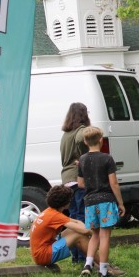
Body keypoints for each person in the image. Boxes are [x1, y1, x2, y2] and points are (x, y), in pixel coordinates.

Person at [78, 127, 126, 277]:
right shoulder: (107, 158)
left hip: (90, 201)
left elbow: (80, 183)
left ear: (85, 142)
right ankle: (103, 271)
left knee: (95, 235)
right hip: (106, 200)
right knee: (105, 236)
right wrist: (121, 203)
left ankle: (88, 264)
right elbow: (114, 183)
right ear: (101, 140)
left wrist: (92, 185)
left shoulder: (82, 160)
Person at [29, 185, 93, 274]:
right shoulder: (55, 216)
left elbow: (77, 222)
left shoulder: (50, 211)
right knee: (78, 235)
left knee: (75, 231)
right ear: (65, 203)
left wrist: (84, 229)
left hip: (40, 253)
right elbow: (85, 230)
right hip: (43, 256)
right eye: (69, 199)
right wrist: (96, 235)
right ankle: (103, 265)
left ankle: (93, 263)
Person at [60, 103, 90, 263]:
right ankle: (84, 255)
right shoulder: (80, 131)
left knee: (72, 219)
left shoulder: (66, 134)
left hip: (66, 179)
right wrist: (85, 156)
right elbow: (81, 138)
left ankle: (75, 256)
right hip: (77, 178)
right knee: (81, 218)